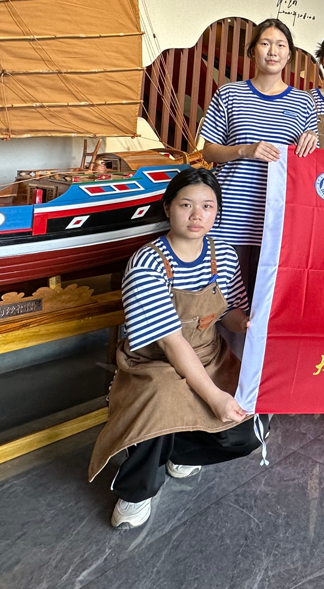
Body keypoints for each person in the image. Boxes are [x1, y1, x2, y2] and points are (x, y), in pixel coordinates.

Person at [89, 167, 259, 529]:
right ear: (167, 208)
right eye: (186, 205)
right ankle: (136, 490)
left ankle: (181, 450)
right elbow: (171, 341)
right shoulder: (147, 263)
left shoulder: (224, 255)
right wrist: (214, 397)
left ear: (217, 211)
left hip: (209, 356)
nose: (197, 215)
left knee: (246, 433)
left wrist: (246, 322)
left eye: (208, 206)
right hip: (154, 362)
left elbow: (228, 311)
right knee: (163, 404)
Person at [198, 18, 318, 298]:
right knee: (223, 299)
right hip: (231, 216)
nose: (273, 51)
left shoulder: (303, 102)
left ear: (289, 54)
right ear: (253, 51)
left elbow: (309, 165)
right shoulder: (230, 93)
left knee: (266, 301)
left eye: (280, 45)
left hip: (277, 219)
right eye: (265, 43)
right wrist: (244, 150)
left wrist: (312, 141)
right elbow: (208, 151)